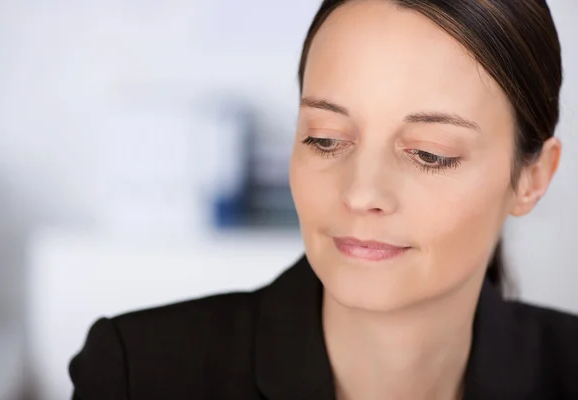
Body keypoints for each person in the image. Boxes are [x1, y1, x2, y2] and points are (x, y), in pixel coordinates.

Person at [69, 0, 578, 399]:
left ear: (531, 177)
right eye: (326, 139)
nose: (361, 193)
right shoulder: (140, 375)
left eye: (428, 154)